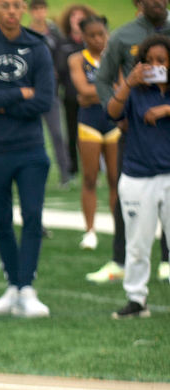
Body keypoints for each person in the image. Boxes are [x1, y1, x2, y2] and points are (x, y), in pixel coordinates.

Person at [0, 0, 55, 317]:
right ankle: (13, 287)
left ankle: (27, 288)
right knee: (1, 221)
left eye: (17, 5)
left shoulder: (38, 47)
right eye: (5, 5)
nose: (12, 11)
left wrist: (1, 99)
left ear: (24, 9)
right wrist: (22, 91)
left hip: (31, 149)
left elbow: (45, 99)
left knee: (32, 216)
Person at [90, 0, 170, 284]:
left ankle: (166, 261)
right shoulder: (123, 36)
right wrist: (115, 113)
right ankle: (120, 259)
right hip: (136, 129)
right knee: (130, 195)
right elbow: (102, 79)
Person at [106, 34, 170, 318]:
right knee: (137, 243)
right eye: (148, 61)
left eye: (161, 61)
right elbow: (111, 111)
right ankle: (136, 299)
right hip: (137, 177)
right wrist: (128, 83)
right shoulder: (134, 89)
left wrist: (166, 108)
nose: (155, 66)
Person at [68, 15, 120, 250]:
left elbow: (120, 88)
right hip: (89, 122)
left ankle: (120, 229)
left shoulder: (116, 57)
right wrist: (109, 90)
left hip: (113, 122)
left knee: (115, 179)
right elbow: (81, 89)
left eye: (102, 34)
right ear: (83, 37)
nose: (99, 39)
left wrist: (92, 93)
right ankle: (90, 231)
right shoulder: (77, 59)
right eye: (93, 35)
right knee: (90, 178)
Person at [29, 0, 73, 188]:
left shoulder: (54, 33)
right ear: (31, 12)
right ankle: (33, 174)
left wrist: (55, 70)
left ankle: (65, 172)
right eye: (36, 9)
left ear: (45, 10)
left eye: (42, 9)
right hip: (30, 94)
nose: (39, 13)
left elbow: (62, 58)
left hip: (50, 93)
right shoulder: (26, 33)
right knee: (32, 136)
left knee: (57, 134)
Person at [56, 5, 97, 180]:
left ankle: (96, 168)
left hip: (94, 97)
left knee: (94, 132)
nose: (77, 20)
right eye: (74, 16)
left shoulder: (95, 42)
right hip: (71, 96)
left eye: (81, 16)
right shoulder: (63, 44)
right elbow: (58, 70)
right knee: (71, 133)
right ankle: (73, 168)